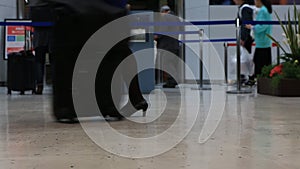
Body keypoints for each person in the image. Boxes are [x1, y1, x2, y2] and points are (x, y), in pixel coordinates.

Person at [47, 0, 147, 122]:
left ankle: (67, 106)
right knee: (117, 52)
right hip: (111, 12)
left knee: (69, 54)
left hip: (79, 12)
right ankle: (123, 101)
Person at [29, 1, 54, 94]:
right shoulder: (53, 5)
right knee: (53, 61)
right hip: (52, 35)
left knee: (39, 61)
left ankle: (39, 86)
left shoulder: (34, 5)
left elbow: (30, 18)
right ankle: (55, 85)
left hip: (39, 36)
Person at [155, 5, 181, 88]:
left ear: (163, 11)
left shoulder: (165, 17)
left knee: (166, 63)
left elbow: (162, 30)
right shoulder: (177, 18)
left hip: (167, 45)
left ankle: (172, 80)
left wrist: (156, 36)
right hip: (175, 44)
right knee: (171, 63)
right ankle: (172, 80)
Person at [246, 0, 272, 83]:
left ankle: (258, 79)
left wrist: (252, 27)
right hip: (263, 40)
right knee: (261, 60)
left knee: (260, 61)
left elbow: (263, 25)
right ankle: (258, 78)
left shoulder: (263, 11)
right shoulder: (264, 10)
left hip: (262, 40)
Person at [233, 0, 255, 85]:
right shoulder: (244, 8)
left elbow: (246, 24)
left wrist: (243, 38)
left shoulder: (245, 8)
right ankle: (245, 76)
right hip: (247, 37)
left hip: (247, 38)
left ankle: (248, 76)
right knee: (244, 58)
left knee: (245, 58)